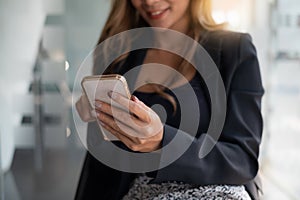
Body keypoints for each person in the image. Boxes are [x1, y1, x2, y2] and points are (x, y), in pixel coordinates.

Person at [75, 0, 264, 199]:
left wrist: (162, 142)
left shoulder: (234, 50)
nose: (148, 2)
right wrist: (96, 115)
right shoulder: (118, 52)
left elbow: (242, 160)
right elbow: (106, 167)